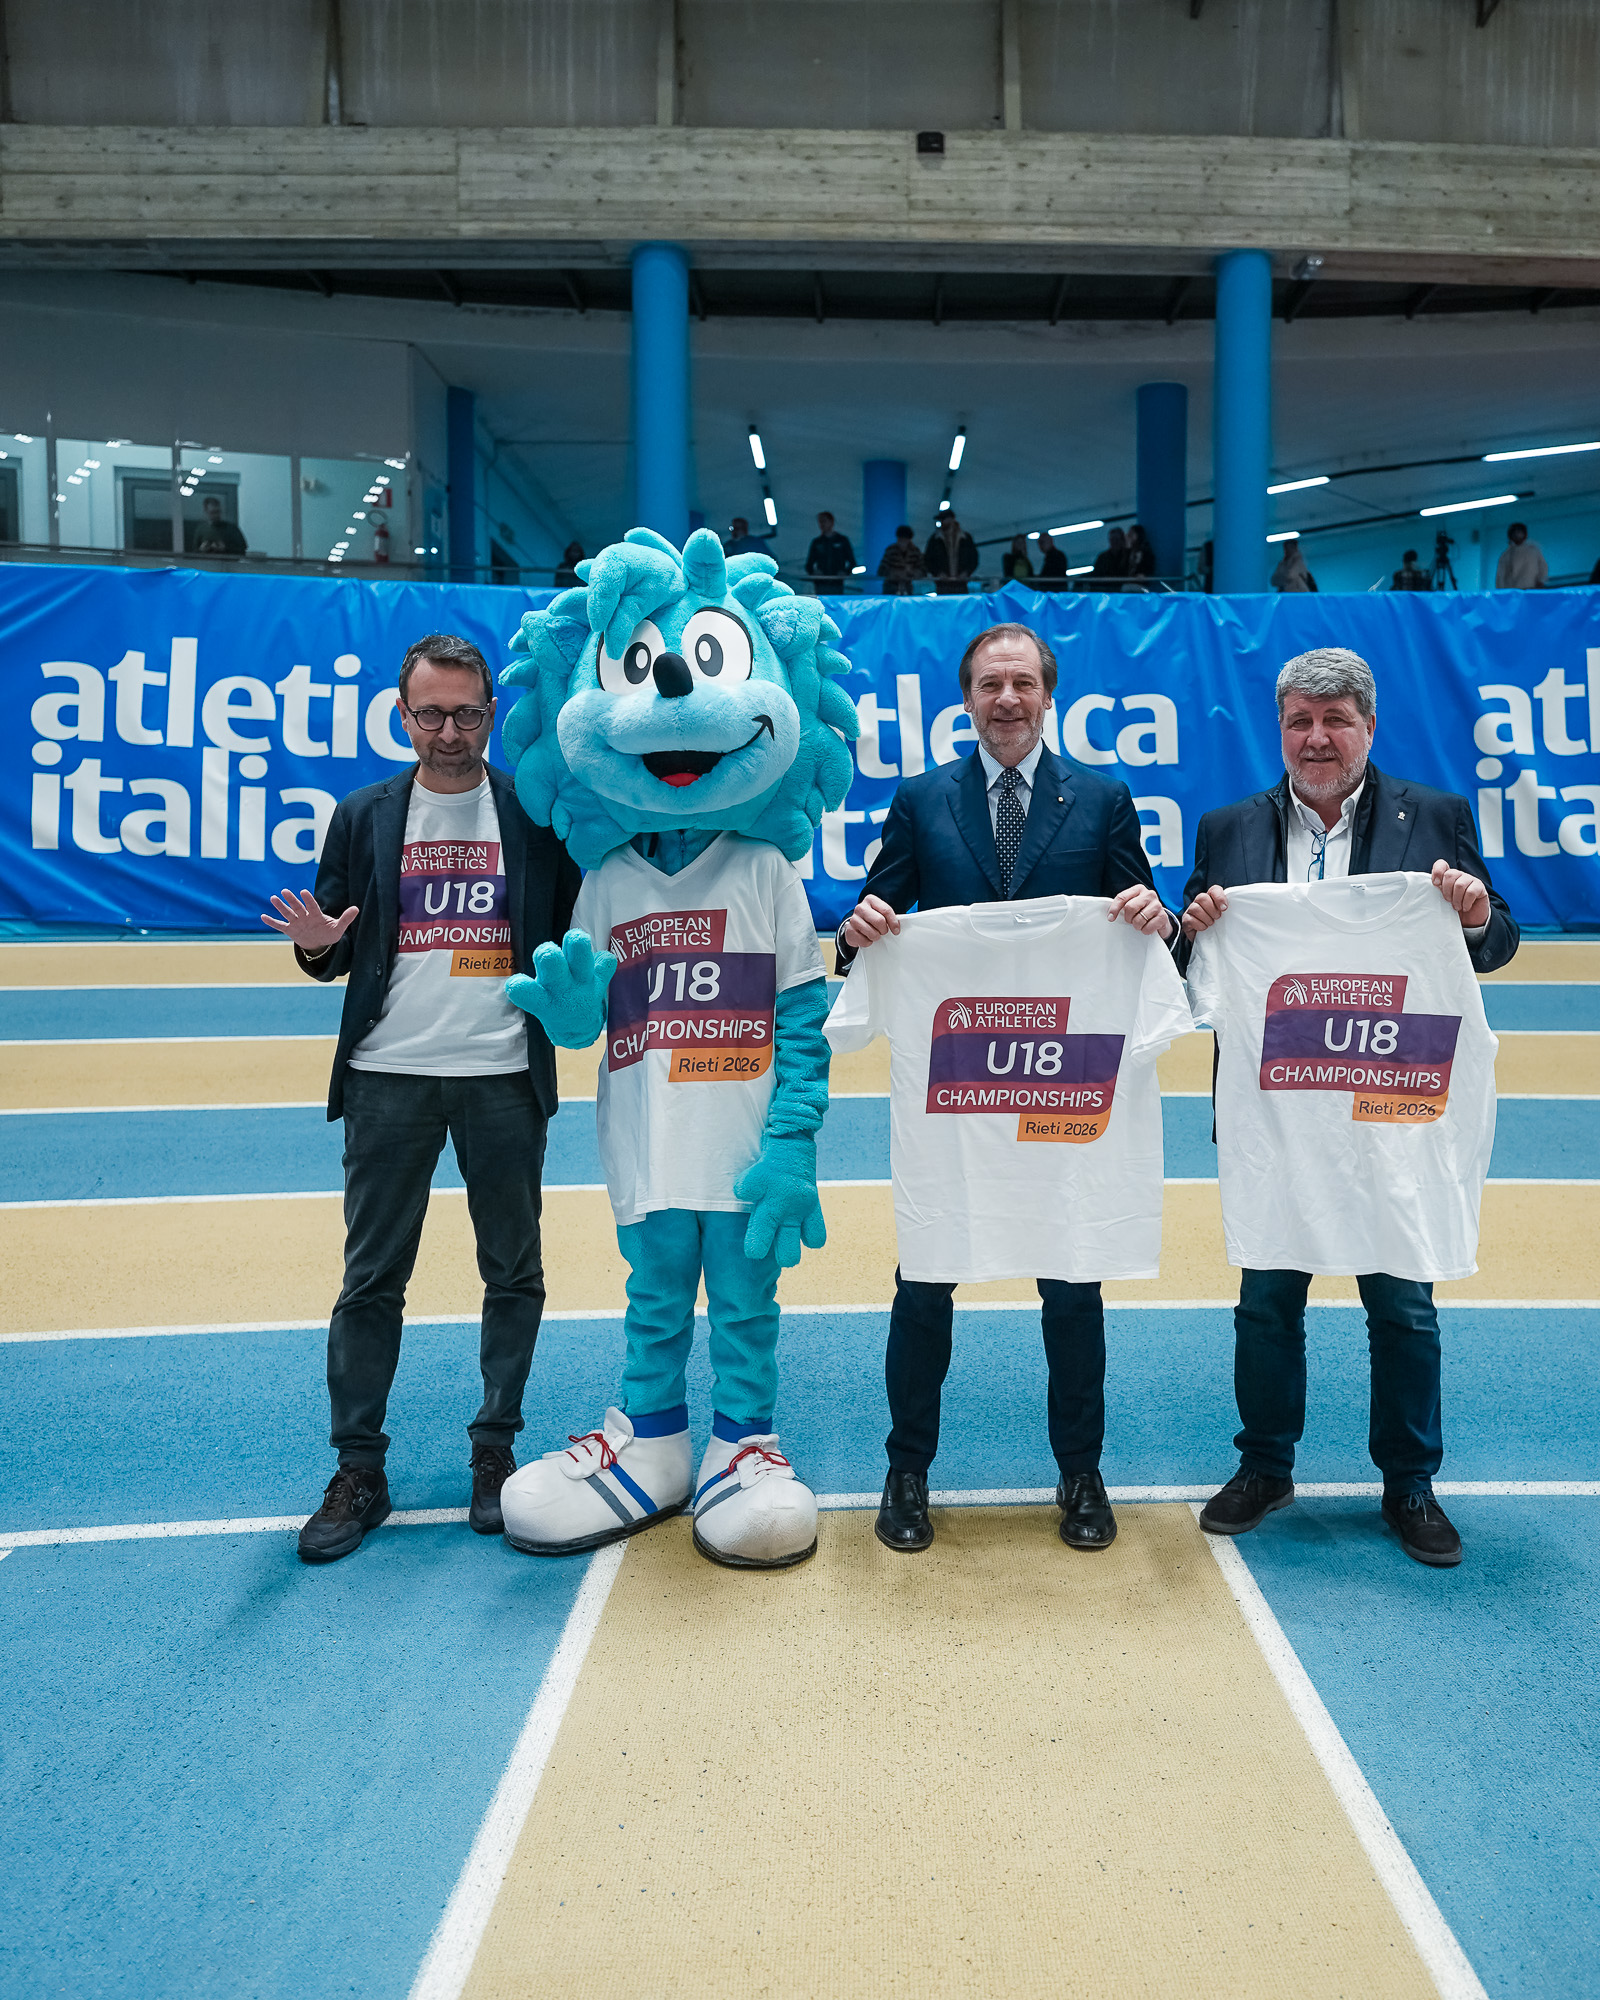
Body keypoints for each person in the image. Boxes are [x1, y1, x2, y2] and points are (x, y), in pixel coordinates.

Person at [835, 623, 1176, 1558]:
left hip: (1061, 1085)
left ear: (1048, 695)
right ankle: (907, 1470)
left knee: (1073, 1280)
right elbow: (875, 919)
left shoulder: (1103, 799)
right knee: (926, 1279)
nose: (1007, 700)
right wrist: (861, 929)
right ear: (967, 699)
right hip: (958, 1091)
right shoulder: (921, 801)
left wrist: (1154, 915)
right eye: (990, 684)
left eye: (1023, 683)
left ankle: (1082, 1472)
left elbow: (1150, 936)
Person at [1179, 646, 1518, 1569]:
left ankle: (1410, 1483)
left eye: (1336, 720)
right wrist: (1191, 930)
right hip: (1276, 1108)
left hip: (1389, 1101)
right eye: (1301, 721)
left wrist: (1473, 914)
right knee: (1266, 1298)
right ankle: (1265, 1466)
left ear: (1369, 727)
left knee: (1402, 1300)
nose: (1317, 738)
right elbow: (1189, 969)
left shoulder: (1436, 816)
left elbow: (1494, 945)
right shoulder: (1228, 828)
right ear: (1280, 729)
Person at [263, 633, 580, 1563]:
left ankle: (495, 1450)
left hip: (503, 1077)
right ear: (403, 716)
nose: (449, 732)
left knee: (513, 1272)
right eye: (431, 714)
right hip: (387, 1077)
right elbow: (328, 948)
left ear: (491, 714)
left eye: (467, 713)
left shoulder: (533, 815)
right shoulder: (362, 815)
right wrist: (318, 945)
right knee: (371, 1280)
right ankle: (358, 1469)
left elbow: (569, 935)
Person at [924, 512, 978, 594]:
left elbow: (973, 558)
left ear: (952, 519)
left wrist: (966, 572)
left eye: (943, 519)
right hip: (944, 583)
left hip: (960, 582)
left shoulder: (966, 538)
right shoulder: (935, 539)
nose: (942, 522)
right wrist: (938, 573)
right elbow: (928, 560)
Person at [805, 511, 855, 592]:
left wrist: (845, 572)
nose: (822, 524)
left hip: (837, 583)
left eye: (824, 521)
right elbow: (809, 564)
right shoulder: (817, 542)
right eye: (820, 522)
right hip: (821, 583)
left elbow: (852, 562)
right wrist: (814, 573)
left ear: (831, 522)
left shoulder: (842, 541)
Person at [1495, 521, 1548, 589]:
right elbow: (1500, 577)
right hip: (1513, 591)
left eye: (1520, 532)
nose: (1518, 535)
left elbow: (1543, 567)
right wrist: (1503, 592)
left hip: (1532, 588)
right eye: (1515, 533)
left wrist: (1541, 580)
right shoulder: (1506, 556)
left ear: (1525, 534)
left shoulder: (1534, 550)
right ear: (1510, 536)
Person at [877, 523, 927, 595]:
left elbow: (923, 570)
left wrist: (911, 573)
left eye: (905, 539)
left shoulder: (915, 552)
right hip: (890, 587)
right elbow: (881, 570)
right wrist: (895, 573)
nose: (902, 542)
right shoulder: (891, 551)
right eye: (900, 539)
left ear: (909, 539)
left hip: (907, 587)